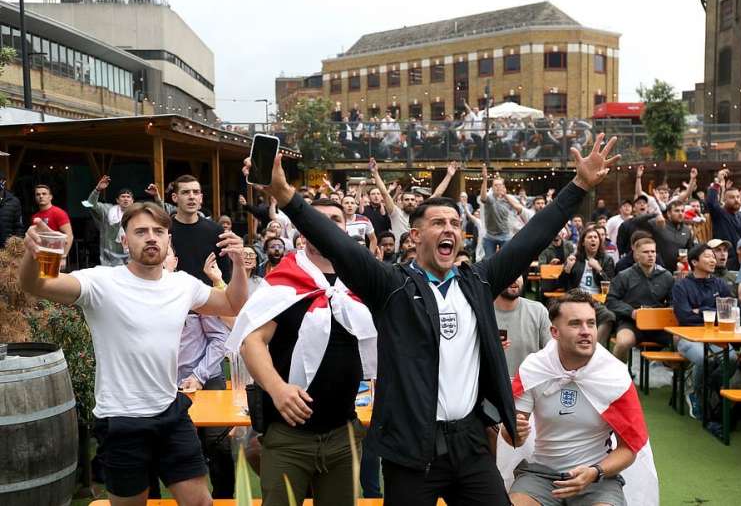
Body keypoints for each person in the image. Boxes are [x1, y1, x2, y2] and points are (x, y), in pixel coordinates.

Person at [245, 132, 620, 505]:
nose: (449, 230)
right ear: (415, 235)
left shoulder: (477, 283)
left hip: (470, 444)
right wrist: (287, 197)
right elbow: (337, 243)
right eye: (438, 222)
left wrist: (579, 185)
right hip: (411, 450)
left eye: (455, 224)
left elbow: (530, 240)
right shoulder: (390, 285)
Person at [18, 201, 247, 506]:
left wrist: (240, 265)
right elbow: (35, 283)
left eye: (159, 231)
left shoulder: (183, 285)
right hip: (121, 419)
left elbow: (233, 305)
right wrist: (34, 254)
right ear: (124, 240)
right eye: (140, 231)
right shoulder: (101, 282)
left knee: (201, 502)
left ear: (168, 240)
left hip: (171, 412)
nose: (151, 237)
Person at [231, 199, 377, 506]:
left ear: (346, 229)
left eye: (335, 219)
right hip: (288, 436)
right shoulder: (284, 281)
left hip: (343, 433)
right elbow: (252, 341)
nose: (326, 226)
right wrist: (278, 389)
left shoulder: (362, 279)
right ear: (303, 231)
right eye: (317, 219)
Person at [505, 290, 654, 506]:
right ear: (554, 332)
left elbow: (629, 447)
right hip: (542, 475)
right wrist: (511, 432)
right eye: (575, 324)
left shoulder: (614, 375)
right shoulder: (535, 368)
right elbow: (514, 437)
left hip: (597, 478)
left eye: (591, 323)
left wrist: (595, 471)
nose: (586, 331)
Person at [169, 174, 235, 498]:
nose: (193, 197)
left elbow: (227, 280)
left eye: (197, 192)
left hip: (207, 314)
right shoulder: (166, 230)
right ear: (175, 197)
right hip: (172, 313)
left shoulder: (213, 232)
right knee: (176, 443)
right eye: (186, 192)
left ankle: (226, 497)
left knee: (219, 439)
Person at [671, 243, 737, 419]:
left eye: (713, 256)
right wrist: (711, 311)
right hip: (688, 336)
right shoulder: (681, 286)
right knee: (702, 358)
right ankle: (695, 393)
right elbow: (684, 317)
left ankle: (705, 387)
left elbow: (729, 312)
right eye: (708, 256)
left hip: (715, 335)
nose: (713, 260)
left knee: (731, 358)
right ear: (694, 261)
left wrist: (699, 310)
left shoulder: (720, 284)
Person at [606, 236, 674, 362]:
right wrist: (631, 312)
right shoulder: (624, 275)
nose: (650, 255)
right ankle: (619, 378)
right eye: (646, 252)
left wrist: (667, 311)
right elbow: (611, 301)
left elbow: (673, 302)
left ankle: (676, 373)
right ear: (636, 255)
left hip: (658, 324)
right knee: (623, 343)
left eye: (653, 252)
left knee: (681, 341)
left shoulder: (666, 276)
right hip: (631, 322)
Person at [560, 227, 616, 345]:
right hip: (577, 298)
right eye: (589, 237)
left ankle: (595, 348)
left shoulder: (606, 260)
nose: (593, 240)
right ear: (583, 242)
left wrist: (599, 269)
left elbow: (611, 284)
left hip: (598, 300)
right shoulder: (574, 259)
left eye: (596, 237)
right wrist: (567, 269)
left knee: (609, 317)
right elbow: (560, 285)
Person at [494, 275, 551, 377]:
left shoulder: (538, 311)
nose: (515, 278)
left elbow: (552, 353)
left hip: (529, 387)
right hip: (492, 388)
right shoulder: (481, 313)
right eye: (508, 272)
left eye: (519, 273)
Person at [706, 169, 741, 269]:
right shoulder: (720, 214)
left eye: (738, 197)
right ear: (724, 200)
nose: (736, 200)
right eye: (732, 197)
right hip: (726, 261)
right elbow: (711, 202)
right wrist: (717, 182)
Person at [82, 175, 134, 266]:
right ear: (117, 200)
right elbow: (90, 204)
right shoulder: (108, 210)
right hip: (110, 258)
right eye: (123, 196)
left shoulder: (138, 214)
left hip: (131, 257)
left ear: (132, 201)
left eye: (128, 197)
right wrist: (97, 189)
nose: (126, 199)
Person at [31, 184, 73, 267]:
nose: (41, 196)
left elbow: (69, 236)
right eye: (38, 194)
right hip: (41, 255)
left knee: (55, 280)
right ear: (35, 198)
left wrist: (63, 257)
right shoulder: (35, 217)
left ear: (50, 197)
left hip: (55, 255)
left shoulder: (58, 213)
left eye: (44, 194)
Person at [479, 165, 515, 256]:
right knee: (488, 260)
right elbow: (483, 198)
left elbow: (518, 207)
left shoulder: (508, 199)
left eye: (500, 185)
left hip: (505, 234)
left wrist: (505, 195)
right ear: (492, 188)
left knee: (505, 259)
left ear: (504, 187)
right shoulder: (490, 198)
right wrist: (485, 179)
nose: (498, 187)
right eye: (495, 185)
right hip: (490, 236)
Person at [0, 170, 24, 247]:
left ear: (4, 182)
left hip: (7, 248)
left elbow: (18, 226)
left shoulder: (14, 201)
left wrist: (17, 245)